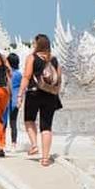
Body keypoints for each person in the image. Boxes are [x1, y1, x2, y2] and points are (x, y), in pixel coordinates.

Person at [17, 34, 63, 167]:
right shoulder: (54, 60)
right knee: (46, 126)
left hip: (34, 93)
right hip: (50, 95)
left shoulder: (32, 58)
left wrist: (20, 94)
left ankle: (34, 144)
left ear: (38, 45)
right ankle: (45, 158)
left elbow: (26, 77)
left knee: (29, 120)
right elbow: (58, 78)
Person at [2, 52, 22, 151]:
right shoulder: (19, 74)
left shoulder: (6, 74)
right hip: (15, 101)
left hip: (5, 100)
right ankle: (13, 144)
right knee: (13, 123)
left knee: (3, 122)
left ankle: (3, 143)